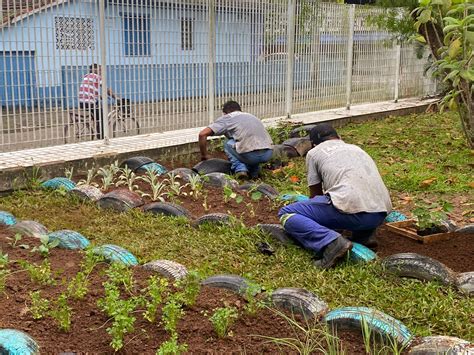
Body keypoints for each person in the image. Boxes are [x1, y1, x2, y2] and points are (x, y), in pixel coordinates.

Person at [278, 123, 392, 269]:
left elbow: (316, 195)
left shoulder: (314, 152)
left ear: (313, 144)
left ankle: (331, 243)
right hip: (380, 212)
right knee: (353, 198)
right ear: (338, 137)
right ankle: (364, 236)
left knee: (286, 213)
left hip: (353, 211)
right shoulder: (356, 148)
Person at [198, 100, 273, 179]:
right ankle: (254, 174)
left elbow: (202, 134)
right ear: (239, 110)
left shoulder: (228, 118)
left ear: (225, 113)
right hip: (267, 154)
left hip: (250, 156)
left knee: (227, 143)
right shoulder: (251, 116)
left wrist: (204, 155)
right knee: (250, 144)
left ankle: (240, 169)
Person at [78, 63, 117, 139]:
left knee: (98, 110)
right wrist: (115, 97)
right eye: (99, 69)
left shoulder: (86, 76)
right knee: (102, 118)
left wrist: (100, 96)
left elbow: (88, 90)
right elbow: (106, 89)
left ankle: (97, 129)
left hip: (82, 102)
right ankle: (102, 137)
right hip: (89, 102)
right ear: (94, 69)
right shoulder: (96, 77)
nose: (100, 71)